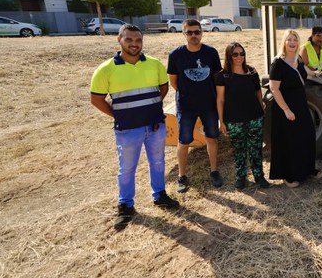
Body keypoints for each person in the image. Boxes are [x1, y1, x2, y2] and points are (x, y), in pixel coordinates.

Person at [90, 24, 179, 230]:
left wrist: (150, 109)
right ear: (119, 40)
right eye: (129, 39)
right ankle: (126, 205)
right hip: (128, 129)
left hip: (155, 126)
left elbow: (163, 89)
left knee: (158, 162)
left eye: (138, 40)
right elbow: (96, 100)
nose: (134, 44)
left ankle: (160, 195)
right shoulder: (105, 70)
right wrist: (119, 115)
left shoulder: (154, 64)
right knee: (127, 168)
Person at [167, 19, 223, 192]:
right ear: (183, 34)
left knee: (211, 138)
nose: (194, 35)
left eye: (197, 32)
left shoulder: (211, 53)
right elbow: (173, 81)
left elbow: (216, 77)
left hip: (209, 104)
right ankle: (182, 176)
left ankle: (214, 171)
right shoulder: (175, 55)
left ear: (201, 33)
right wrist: (187, 93)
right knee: (184, 141)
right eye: (189, 32)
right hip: (186, 106)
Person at [268, 30, 321, 187]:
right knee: (290, 141)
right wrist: (286, 109)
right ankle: (289, 175)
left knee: (306, 136)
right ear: (284, 42)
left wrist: (315, 73)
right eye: (289, 39)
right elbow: (274, 89)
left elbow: (303, 71)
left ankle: (307, 169)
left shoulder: (298, 59)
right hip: (285, 106)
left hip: (300, 104)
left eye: (295, 39)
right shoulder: (278, 63)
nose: (292, 42)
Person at [215, 42, 269, 190]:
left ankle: (259, 176)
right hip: (234, 120)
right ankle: (241, 177)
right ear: (229, 56)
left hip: (255, 117)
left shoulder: (251, 71)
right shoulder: (223, 76)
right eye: (235, 54)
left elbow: (258, 92)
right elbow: (220, 100)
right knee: (239, 149)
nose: (239, 57)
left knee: (256, 148)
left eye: (242, 54)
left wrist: (262, 108)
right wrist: (221, 121)